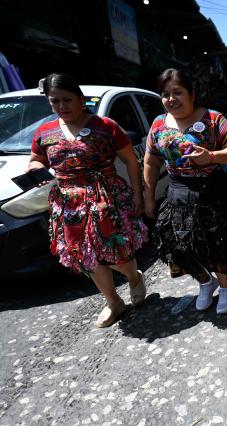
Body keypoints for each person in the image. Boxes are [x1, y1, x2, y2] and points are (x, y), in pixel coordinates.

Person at [28, 73, 147, 328]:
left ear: (81, 100)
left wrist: (138, 193)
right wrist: (33, 168)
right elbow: (37, 159)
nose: (62, 106)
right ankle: (114, 302)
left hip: (106, 197)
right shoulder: (44, 131)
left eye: (67, 100)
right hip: (69, 203)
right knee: (84, 256)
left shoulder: (105, 126)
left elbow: (129, 160)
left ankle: (134, 277)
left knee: (116, 251)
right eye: (55, 101)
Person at [143, 68, 227, 315]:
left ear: (192, 94)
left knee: (219, 244)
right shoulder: (158, 124)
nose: (171, 99)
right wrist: (148, 196)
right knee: (180, 247)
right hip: (178, 192)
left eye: (177, 92)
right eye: (165, 94)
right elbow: (151, 161)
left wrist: (212, 156)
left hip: (213, 192)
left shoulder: (213, 119)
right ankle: (206, 283)